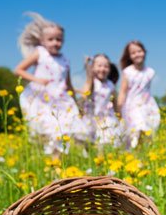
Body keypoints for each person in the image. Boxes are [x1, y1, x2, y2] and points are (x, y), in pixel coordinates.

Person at [14, 12, 85, 157]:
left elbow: (68, 83)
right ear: (42, 41)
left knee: (67, 129)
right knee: (50, 130)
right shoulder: (40, 53)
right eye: (51, 39)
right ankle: (51, 160)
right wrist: (37, 80)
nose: (55, 43)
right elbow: (18, 70)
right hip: (43, 99)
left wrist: (77, 93)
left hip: (62, 99)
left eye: (59, 39)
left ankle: (60, 160)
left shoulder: (65, 60)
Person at [117, 40, 160, 150]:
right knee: (137, 129)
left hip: (148, 105)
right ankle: (134, 153)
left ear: (144, 52)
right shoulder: (127, 72)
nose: (137, 54)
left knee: (148, 132)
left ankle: (143, 154)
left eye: (139, 51)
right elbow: (123, 91)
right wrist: (119, 109)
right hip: (132, 106)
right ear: (130, 56)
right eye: (133, 53)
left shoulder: (150, 72)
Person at [81, 54, 123, 150]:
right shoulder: (91, 82)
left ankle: (101, 160)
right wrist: (88, 69)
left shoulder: (110, 85)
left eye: (106, 66)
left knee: (104, 143)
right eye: (99, 66)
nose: (102, 69)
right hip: (91, 118)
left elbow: (115, 102)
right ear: (93, 68)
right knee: (88, 145)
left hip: (106, 118)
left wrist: (119, 116)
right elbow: (84, 95)